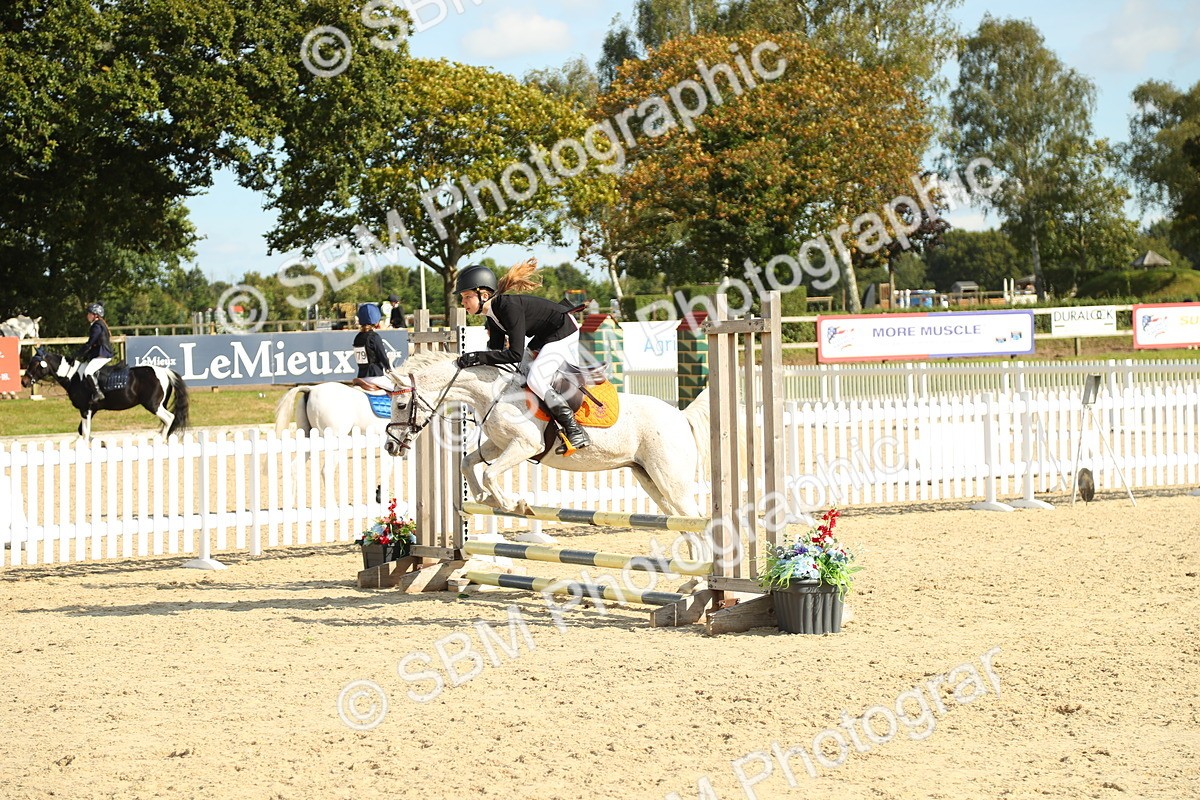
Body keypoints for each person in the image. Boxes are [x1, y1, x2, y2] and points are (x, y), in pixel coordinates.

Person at [454, 259, 590, 454]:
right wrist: (476, 361)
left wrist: (477, 357)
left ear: (483, 295)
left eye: (467, 297)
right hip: (544, 335)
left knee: (535, 379)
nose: (463, 302)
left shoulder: (508, 308)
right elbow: (496, 354)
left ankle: (575, 430)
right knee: (520, 373)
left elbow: (515, 354)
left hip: (563, 330)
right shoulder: (492, 315)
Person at [75, 302, 114, 404]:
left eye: (89, 313)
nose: (87, 315)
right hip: (100, 353)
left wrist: (79, 354)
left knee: (88, 372)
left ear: (95, 315)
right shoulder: (99, 324)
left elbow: (90, 343)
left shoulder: (96, 326)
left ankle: (97, 393)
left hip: (103, 354)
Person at [352, 303, 393, 391]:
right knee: (398, 390)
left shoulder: (357, 337)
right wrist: (389, 368)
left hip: (361, 376)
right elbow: (382, 356)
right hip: (375, 376)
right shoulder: (374, 337)